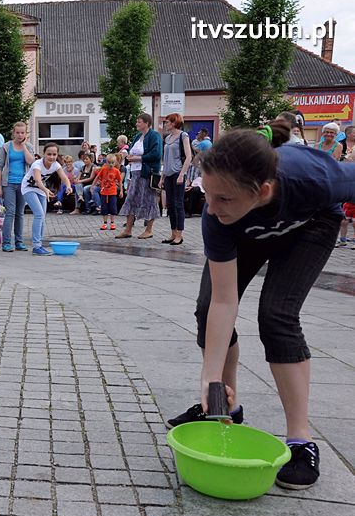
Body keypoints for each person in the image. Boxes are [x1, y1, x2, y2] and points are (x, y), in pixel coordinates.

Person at [166, 120, 355, 490]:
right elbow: (224, 300)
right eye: (207, 194)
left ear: (263, 189)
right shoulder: (217, 214)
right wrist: (210, 379)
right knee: (207, 308)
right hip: (245, 231)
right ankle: (223, 409)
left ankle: (300, 439)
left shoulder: (315, 178)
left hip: (310, 226)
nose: (210, 206)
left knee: (277, 314)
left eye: (222, 198)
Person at [116, 113, 162, 239]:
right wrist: (130, 157)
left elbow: (156, 154)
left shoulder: (154, 136)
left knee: (149, 200)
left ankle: (149, 229)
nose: (137, 124)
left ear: (147, 123)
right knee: (131, 199)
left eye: (139, 122)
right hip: (135, 173)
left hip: (147, 173)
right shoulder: (137, 137)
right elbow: (132, 151)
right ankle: (128, 229)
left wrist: (139, 158)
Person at [21, 142, 68, 256]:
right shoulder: (37, 164)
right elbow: (38, 181)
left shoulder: (56, 165)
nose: (51, 157)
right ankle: (36, 246)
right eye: (49, 154)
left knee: (42, 217)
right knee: (39, 214)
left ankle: (39, 244)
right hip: (28, 188)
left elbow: (64, 177)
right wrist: (45, 190)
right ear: (44, 154)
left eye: (54, 154)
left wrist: (69, 186)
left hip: (41, 190)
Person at [0, 122, 35, 252]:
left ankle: (19, 241)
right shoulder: (6, 147)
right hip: (9, 184)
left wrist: (23, 146)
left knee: (20, 214)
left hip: (23, 184)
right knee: (10, 212)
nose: (20, 135)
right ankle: (6, 242)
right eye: (17, 132)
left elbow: (31, 162)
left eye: (22, 132)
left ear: (26, 134)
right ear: (13, 132)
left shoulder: (28, 146)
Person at [160, 114, 194, 245]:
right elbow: (165, 158)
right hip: (168, 174)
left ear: (174, 123)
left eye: (167, 122)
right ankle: (173, 233)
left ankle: (180, 234)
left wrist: (182, 174)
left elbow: (189, 156)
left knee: (178, 204)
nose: (165, 124)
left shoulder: (183, 136)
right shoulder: (167, 138)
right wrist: (162, 176)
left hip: (178, 173)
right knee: (170, 204)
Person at [94, 154, 123, 230]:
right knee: (104, 208)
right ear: (106, 162)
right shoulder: (103, 169)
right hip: (104, 192)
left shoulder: (116, 171)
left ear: (115, 163)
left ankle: (112, 222)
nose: (111, 164)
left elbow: (120, 180)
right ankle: (105, 222)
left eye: (112, 163)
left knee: (113, 208)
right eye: (109, 162)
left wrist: (121, 191)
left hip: (112, 192)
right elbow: (98, 177)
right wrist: (93, 185)